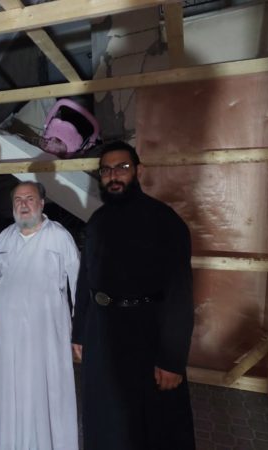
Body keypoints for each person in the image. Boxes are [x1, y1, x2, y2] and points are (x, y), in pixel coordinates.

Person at [71, 141, 195, 450]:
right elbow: (86, 279)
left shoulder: (165, 221)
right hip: (101, 333)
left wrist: (172, 360)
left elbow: (179, 294)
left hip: (145, 333)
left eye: (121, 168)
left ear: (138, 171)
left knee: (151, 425)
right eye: (106, 170)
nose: (113, 176)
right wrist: (80, 332)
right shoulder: (97, 221)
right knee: (104, 417)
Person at [0, 181, 80, 450]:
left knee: (47, 388)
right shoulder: (5, 237)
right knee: (10, 386)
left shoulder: (59, 237)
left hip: (47, 331)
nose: (23, 204)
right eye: (18, 200)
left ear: (41, 203)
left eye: (29, 198)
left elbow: (78, 283)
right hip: (9, 332)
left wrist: (80, 328)